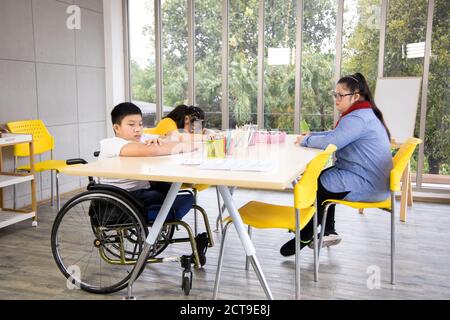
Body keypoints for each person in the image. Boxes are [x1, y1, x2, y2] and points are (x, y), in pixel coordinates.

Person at [280, 72, 393, 257]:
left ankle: (306, 234)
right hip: (368, 177)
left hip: (369, 184)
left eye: (341, 95)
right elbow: (336, 134)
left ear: (355, 96)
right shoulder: (362, 113)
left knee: (321, 183)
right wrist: (310, 137)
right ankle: (327, 231)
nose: (336, 99)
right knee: (323, 178)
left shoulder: (357, 119)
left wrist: (305, 141)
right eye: (335, 94)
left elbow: (332, 141)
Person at [98, 102, 195, 218]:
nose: (138, 129)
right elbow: (151, 151)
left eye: (140, 124)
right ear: (117, 128)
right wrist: (185, 147)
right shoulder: (111, 144)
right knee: (168, 193)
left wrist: (161, 142)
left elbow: (169, 139)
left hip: (141, 190)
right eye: (131, 125)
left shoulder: (140, 140)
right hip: (124, 197)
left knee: (172, 188)